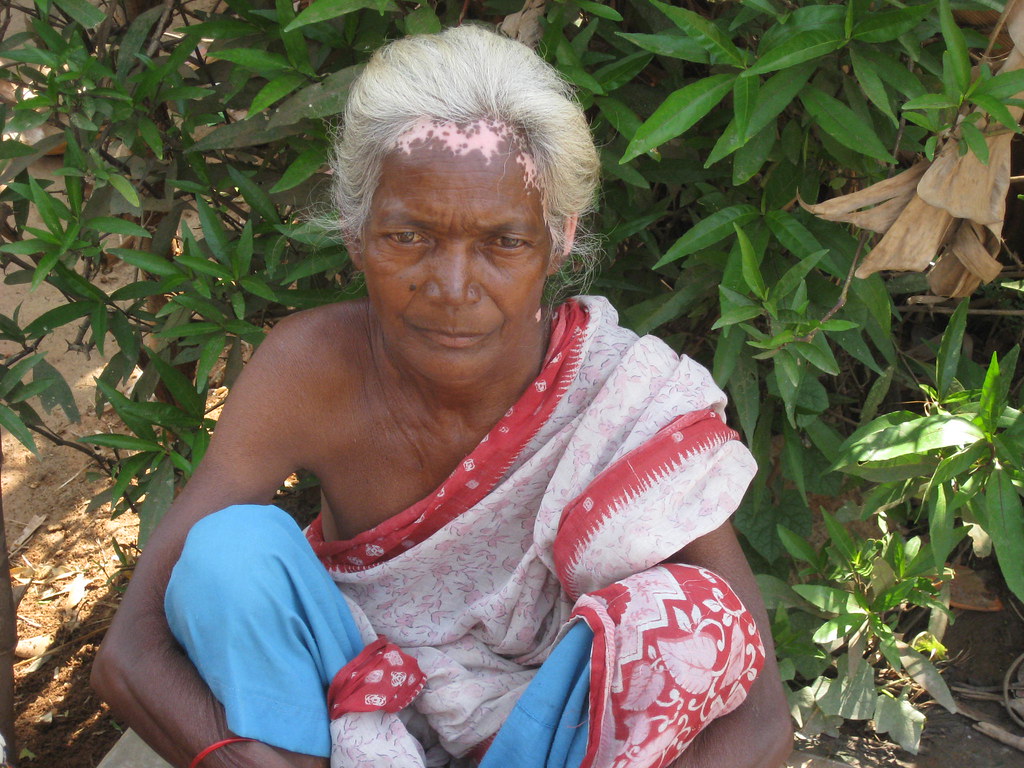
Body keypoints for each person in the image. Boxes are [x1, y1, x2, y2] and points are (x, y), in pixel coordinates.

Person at [92, 24, 793, 768]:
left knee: (694, 622)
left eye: (504, 243)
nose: (453, 288)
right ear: (357, 234)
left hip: (554, 743)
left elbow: (761, 726)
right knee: (228, 556)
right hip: (347, 721)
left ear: (560, 241)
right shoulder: (310, 370)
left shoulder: (622, 397)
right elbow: (130, 650)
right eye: (408, 237)